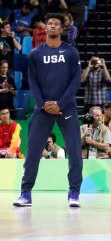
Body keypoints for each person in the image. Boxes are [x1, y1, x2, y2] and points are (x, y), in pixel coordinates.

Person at [14, 13, 83, 208]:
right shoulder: (36, 53)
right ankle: (26, 192)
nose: (52, 26)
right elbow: (32, 81)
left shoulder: (71, 53)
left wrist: (60, 104)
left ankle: (74, 193)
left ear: (61, 29)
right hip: (42, 108)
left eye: (56, 24)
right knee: (33, 151)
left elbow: (75, 81)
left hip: (66, 108)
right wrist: (43, 103)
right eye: (49, 23)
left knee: (75, 151)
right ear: (45, 28)